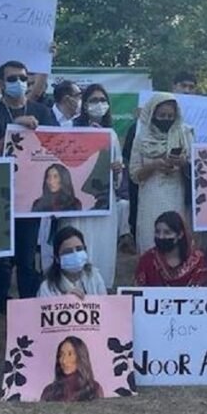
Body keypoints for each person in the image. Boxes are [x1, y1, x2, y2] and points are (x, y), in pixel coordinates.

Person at [0, 61, 56, 305]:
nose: (19, 83)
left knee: (25, 259)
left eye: (23, 78)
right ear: (1, 83)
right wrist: (16, 129)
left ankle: (27, 313)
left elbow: (57, 146)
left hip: (30, 197)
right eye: (12, 79)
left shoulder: (42, 111)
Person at [63, 84, 125, 287]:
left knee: (102, 248)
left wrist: (117, 170)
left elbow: (117, 173)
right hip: (76, 203)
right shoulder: (69, 129)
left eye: (102, 100)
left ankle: (100, 292)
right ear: (84, 104)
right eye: (93, 100)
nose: (99, 105)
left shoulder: (111, 135)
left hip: (103, 204)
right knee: (77, 242)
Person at [130, 93, 193, 253]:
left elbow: (196, 168)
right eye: (162, 115)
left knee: (176, 243)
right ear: (153, 114)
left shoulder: (185, 133)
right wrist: (154, 165)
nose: (166, 119)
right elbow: (135, 175)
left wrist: (181, 163)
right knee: (151, 243)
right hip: (151, 197)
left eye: (170, 116)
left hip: (177, 196)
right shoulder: (141, 137)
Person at [135, 211, 207, 287]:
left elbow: (204, 291)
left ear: (180, 234)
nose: (161, 237)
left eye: (167, 233)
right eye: (157, 232)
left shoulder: (198, 261)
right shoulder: (147, 260)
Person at [38, 227, 107, 298]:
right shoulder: (47, 288)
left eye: (79, 249)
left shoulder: (94, 276)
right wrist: (65, 301)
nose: (75, 254)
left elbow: (105, 305)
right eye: (68, 251)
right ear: (57, 258)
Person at [39, 336, 104, 402]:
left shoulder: (93, 389)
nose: (64, 360)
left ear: (81, 356)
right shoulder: (49, 391)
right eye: (61, 355)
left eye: (70, 354)